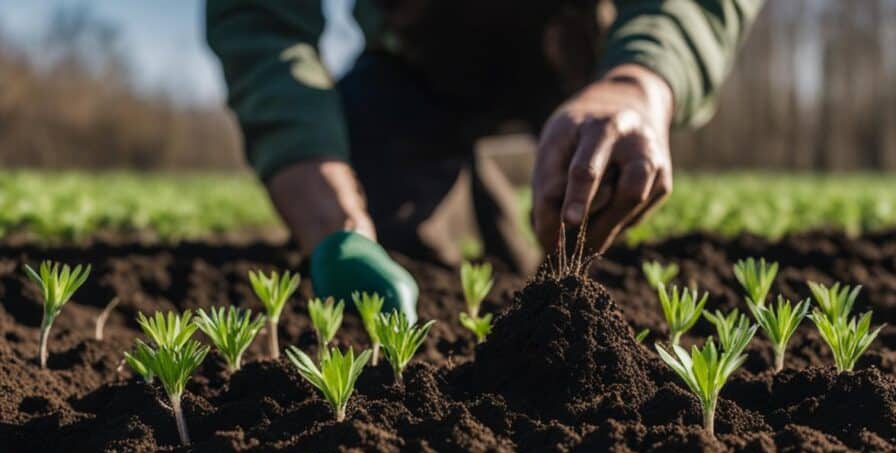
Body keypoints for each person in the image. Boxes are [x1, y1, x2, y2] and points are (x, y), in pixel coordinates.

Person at [207, 0, 761, 320]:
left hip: (585, 49)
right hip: (416, 65)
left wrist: (641, 78)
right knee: (386, 217)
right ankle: (470, 196)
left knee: (599, 180)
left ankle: (510, 225)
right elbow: (259, 19)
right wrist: (316, 181)